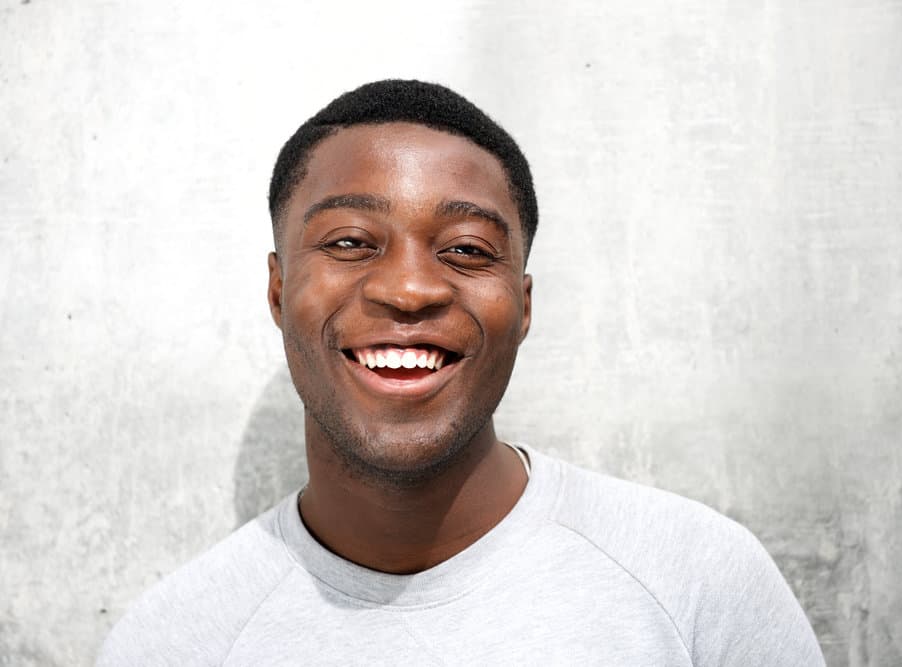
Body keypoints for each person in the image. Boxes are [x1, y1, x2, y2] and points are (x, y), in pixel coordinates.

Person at [98, 79, 825, 665]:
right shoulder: (174, 641)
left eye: (468, 249)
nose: (409, 289)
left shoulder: (694, 581)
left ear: (524, 302)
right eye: (350, 241)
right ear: (279, 291)